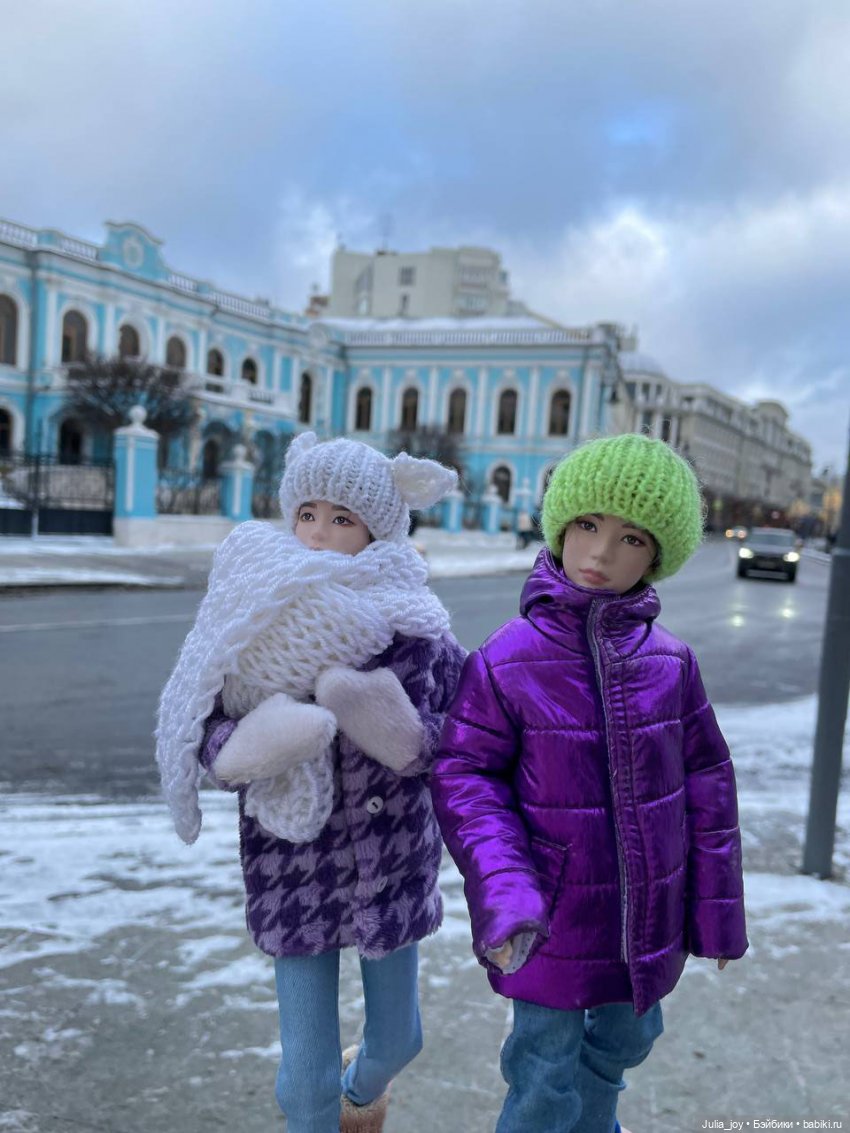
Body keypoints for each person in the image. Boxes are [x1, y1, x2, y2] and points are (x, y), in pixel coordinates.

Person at [431, 434, 748, 1133]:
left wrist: (717, 915)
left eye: (631, 538)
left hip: (646, 917)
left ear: (657, 554)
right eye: (588, 526)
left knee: (627, 1040)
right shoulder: (507, 659)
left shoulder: (672, 663)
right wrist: (506, 891)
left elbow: (708, 787)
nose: (601, 554)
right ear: (561, 525)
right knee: (545, 1071)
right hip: (550, 913)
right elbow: (465, 774)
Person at [156, 431, 466, 1133]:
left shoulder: (418, 626)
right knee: (303, 1080)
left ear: (379, 528)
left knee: (398, 1039)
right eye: (308, 514)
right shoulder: (251, 609)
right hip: (290, 859)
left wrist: (406, 739)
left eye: (343, 519)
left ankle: (364, 1095)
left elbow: (471, 731)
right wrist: (240, 752)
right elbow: (202, 723)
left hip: (391, 862)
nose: (320, 535)